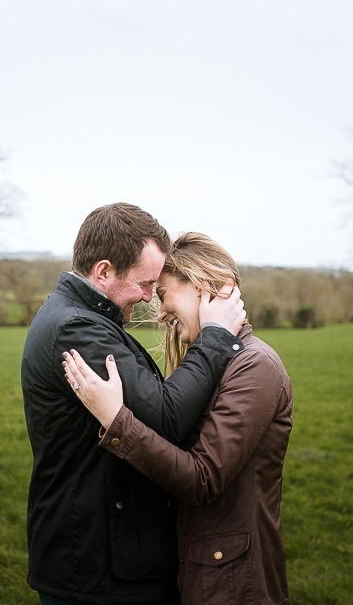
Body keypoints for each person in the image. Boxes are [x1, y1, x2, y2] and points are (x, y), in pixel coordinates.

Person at [21, 204, 247, 605]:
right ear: (103, 271)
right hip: (97, 570)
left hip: (106, 558)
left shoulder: (81, 318)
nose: (148, 298)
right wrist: (214, 336)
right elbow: (165, 417)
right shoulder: (78, 328)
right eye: (144, 283)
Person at [62, 232, 293, 605]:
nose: (161, 312)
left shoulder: (255, 366)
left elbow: (202, 478)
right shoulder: (213, 361)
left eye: (165, 294)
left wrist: (116, 420)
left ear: (203, 288)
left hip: (235, 584)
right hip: (199, 572)